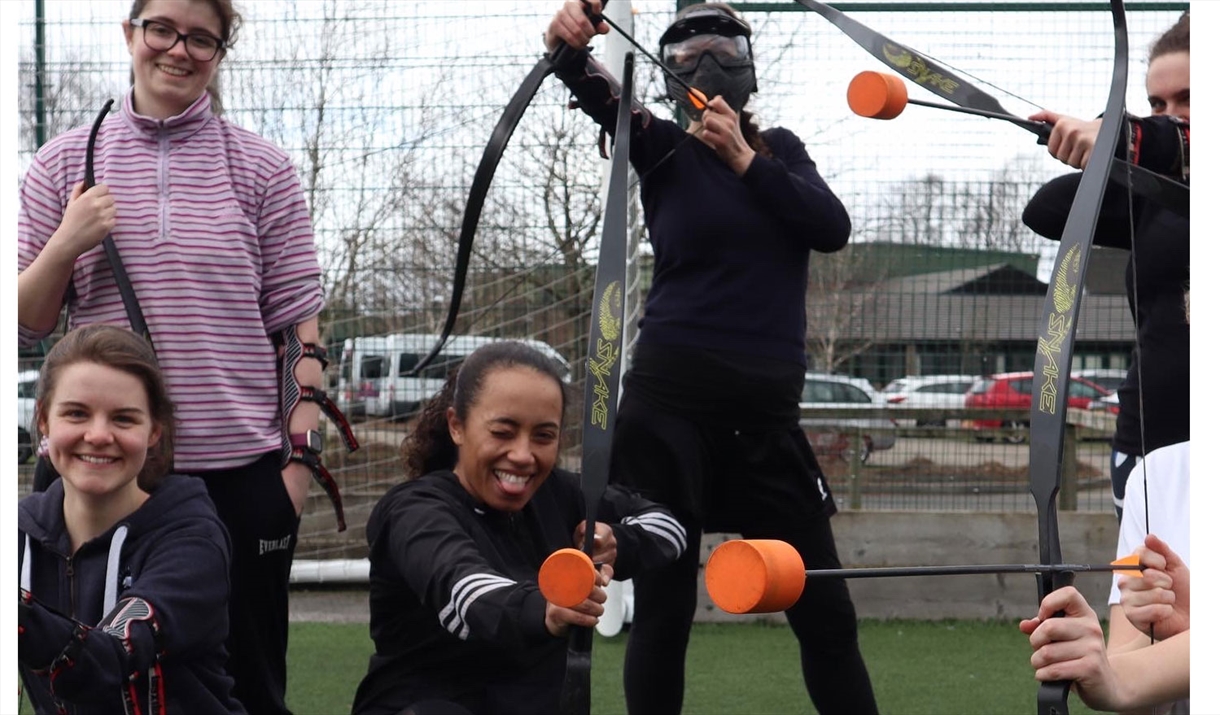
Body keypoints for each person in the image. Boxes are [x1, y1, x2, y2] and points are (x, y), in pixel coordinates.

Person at [545, 3, 877, 713]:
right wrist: (567, 42)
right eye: (688, 51)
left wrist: (745, 159)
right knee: (664, 611)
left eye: (723, 46)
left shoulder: (781, 151)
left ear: (748, 66)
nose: (707, 61)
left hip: (766, 423)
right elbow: (594, 89)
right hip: (669, 413)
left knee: (826, 614)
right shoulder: (663, 148)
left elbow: (831, 227)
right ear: (670, 73)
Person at [15, 2, 346, 713]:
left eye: (202, 38)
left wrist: (296, 468)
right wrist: (67, 240)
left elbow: (299, 333)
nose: (179, 49)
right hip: (99, 471)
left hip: (241, 475)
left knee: (249, 682)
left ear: (220, 51)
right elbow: (27, 321)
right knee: (80, 672)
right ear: (130, 33)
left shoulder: (263, 168)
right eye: (163, 28)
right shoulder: (61, 163)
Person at [351, 341, 687, 715]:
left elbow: (669, 528)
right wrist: (546, 606)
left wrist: (615, 543)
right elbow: (467, 593)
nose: (523, 455)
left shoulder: (562, 495)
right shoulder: (415, 510)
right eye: (503, 432)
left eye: (544, 436)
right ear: (457, 426)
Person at [18, 324, 245, 715]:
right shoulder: (20, 533)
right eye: (76, 413)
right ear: (43, 420)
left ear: (154, 431)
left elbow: (105, 661)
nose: (99, 435)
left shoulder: (192, 540)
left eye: (123, 419)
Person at [1022, 12, 1189, 522]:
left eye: (1190, 99)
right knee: (1143, 603)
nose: (1172, 115)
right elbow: (1047, 210)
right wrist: (1103, 152)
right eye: (1158, 104)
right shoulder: (1160, 199)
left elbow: (1162, 141)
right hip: (1149, 444)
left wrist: (1133, 138)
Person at [1020, 536, 1189, 713]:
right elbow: (1137, 708)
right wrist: (1096, 665)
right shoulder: (1142, 507)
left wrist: (1118, 682)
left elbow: (1121, 684)